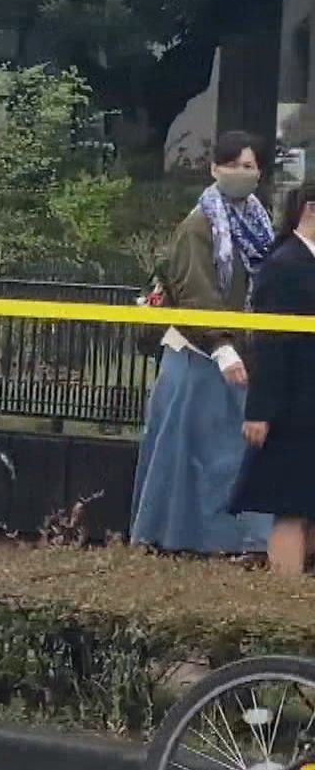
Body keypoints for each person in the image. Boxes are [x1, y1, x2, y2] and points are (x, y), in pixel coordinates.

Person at [132, 131, 274, 555]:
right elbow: (195, 289)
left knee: (229, 453)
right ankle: (171, 538)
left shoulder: (259, 223)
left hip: (240, 355)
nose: (240, 173)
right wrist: (221, 345)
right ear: (214, 169)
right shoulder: (199, 224)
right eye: (231, 165)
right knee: (186, 452)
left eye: (248, 166)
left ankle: (233, 543)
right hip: (199, 355)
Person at [233, 187, 315, 577]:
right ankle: (283, 603)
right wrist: (260, 411)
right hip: (292, 407)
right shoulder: (284, 265)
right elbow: (268, 343)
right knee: (292, 506)